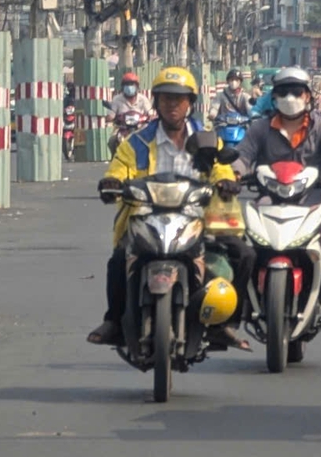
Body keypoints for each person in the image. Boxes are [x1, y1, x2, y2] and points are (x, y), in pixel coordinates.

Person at [89, 68, 254, 350]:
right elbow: (119, 167)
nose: (172, 105)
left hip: (198, 218)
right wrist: (112, 181)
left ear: (190, 102)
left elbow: (221, 166)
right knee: (118, 261)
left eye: (179, 99)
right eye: (166, 99)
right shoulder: (137, 142)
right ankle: (114, 321)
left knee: (244, 255)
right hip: (147, 216)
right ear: (155, 102)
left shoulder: (207, 137)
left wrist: (226, 181)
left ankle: (225, 324)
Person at [219, 67, 321, 338]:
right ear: (274, 96)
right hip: (267, 202)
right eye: (283, 91)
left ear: (307, 96)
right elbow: (244, 156)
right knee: (246, 254)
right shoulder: (260, 128)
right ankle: (240, 306)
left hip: (311, 204)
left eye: (296, 91)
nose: (290, 97)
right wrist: (233, 174)